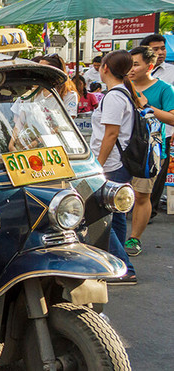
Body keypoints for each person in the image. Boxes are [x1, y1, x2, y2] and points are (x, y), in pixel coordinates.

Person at [90, 50, 138, 284]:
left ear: (105, 68)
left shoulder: (114, 97)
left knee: (97, 215)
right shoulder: (122, 93)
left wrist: (97, 165)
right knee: (117, 216)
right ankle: (119, 265)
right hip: (118, 163)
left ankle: (123, 268)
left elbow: (111, 134)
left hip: (112, 164)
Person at [124, 46, 174, 256]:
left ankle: (134, 238)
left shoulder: (164, 89)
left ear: (149, 66)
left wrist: (148, 107)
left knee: (142, 195)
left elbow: (172, 118)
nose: (131, 69)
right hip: (121, 150)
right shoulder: (122, 86)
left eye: (136, 64)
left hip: (148, 152)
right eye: (129, 64)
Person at [140, 34, 174, 218]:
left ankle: (149, 211)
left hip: (164, 133)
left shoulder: (171, 74)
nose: (161, 52)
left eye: (163, 48)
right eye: (155, 49)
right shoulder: (133, 73)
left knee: (157, 174)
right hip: (136, 134)